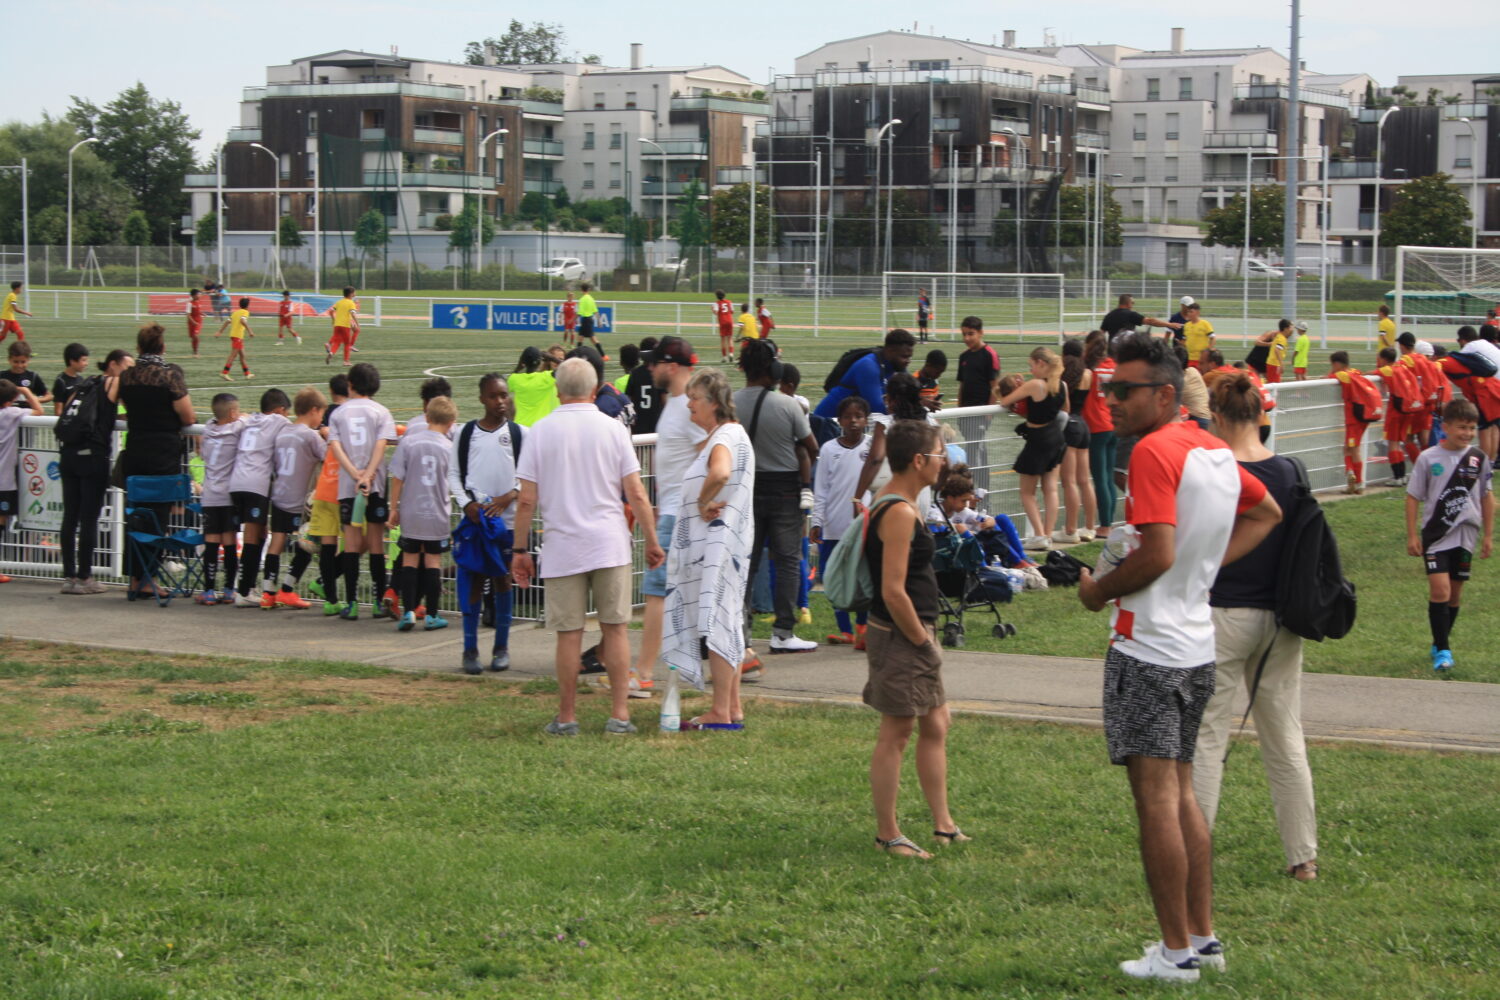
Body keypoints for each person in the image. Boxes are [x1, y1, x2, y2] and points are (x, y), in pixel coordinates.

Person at [1077, 333, 1280, 983]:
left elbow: (1158, 553)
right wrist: (1204, 566)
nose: (1112, 400)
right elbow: (1267, 513)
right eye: (1109, 389)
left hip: (1148, 647)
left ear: (1165, 394)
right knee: (1183, 792)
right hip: (1194, 646)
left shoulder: (1152, 451)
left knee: (1158, 801)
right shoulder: (1211, 447)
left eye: (1124, 391)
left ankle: (1175, 954)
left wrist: (1097, 591)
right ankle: (1201, 936)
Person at [1193, 370, 1320, 884]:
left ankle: (1194, 853)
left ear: (1216, 417)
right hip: (1280, 618)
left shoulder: (1212, 470)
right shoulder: (1289, 472)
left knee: (1206, 736)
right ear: (1261, 414)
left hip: (1222, 613)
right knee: (1285, 737)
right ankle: (1303, 856)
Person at [510, 358, 664, 736]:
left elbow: (526, 500)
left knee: (569, 634)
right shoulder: (613, 429)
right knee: (615, 629)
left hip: (563, 545)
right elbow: (636, 492)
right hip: (609, 543)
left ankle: (566, 716)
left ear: (558, 390)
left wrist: (519, 550)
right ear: (594, 390)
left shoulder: (540, 431)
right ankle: (620, 715)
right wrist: (652, 540)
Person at [865, 420, 965, 860]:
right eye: (941, 455)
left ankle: (944, 825)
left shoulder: (904, 502)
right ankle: (888, 834)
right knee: (898, 731)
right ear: (919, 460)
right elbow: (893, 590)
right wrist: (922, 642)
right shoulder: (899, 511)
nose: (945, 462)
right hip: (903, 634)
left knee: (937, 723)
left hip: (915, 631)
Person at [663, 366, 757, 728]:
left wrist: (702, 501)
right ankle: (731, 707)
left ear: (714, 402)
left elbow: (719, 473)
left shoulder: (724, 437)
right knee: (728, 622)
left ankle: (720, 710)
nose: (689, 405)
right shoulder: (733, 434)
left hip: (716, 548)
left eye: (694, 399)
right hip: (728, 546)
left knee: (718, 623)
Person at [629, 336, 706, 696]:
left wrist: (699, 504)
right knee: (691, 593)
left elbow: (711, 456)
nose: (649, 368)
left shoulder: (690, 405)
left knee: (657, 593)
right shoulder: (677, 402)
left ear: (671, 366)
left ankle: (643, 673)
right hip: (675, 512)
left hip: (681, 515)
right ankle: (745, 657)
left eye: (655, 362)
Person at [737, 339, 820, 656]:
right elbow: (811, 447)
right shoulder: (788, 405)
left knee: (746, 563)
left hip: (747, 488)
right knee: (787, 561)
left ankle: (741, 633)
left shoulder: (731, 403)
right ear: (772, 368)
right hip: (785, 490)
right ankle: (783, 633)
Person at [1406, 398, 1494, 672]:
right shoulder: (1428, 458)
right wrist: (1412, 535)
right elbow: (1413, 497)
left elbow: (1487, 497)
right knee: (1440, 590)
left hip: (1467, 535)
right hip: (1437, 535)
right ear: (1445, 427)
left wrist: (1488, 536)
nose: (1467, 433)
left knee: (1454, 595)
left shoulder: (1478, 458)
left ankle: (1439, 641)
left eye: (1472, 428)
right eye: (1462, 427)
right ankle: (1444, 651)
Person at [449, 372, 522, 674]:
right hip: (476, 524)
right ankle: (470, 649)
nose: (500, 401)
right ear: (482, 398)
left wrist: (510, 496)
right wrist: (467, 505)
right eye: (493, 396)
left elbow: (529, 475)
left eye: (504, 395)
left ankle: (501, 647)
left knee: (503, 579)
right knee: (474, 581)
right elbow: (454, 475)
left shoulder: (520, 434)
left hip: (508, 524)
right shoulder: (466, 433)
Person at [117, 323, 195, 596]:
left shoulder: (127, 376)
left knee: (136, 517)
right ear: (162, 347)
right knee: (158, 518)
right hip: (163, 453)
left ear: (139, 348)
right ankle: (148, 579)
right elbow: (188, 417)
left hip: (136, 450)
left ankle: (135, 579)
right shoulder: (170, 376)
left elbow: (125, 406)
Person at [327, 362, 399, 621]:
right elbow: (382, 445)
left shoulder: (339, 413)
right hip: (375, 484)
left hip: (349, 485)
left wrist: (355, 474)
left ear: (350, 384)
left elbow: (336, 447)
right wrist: (368, 474)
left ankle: (352, 603)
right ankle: (378, 603)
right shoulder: (381, 411)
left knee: (351, 543)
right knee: (376, 543)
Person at [57, 349, 131, 595]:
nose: (130, 372)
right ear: (114, 364)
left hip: (69, 454)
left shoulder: (86, 383)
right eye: (127, 367)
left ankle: (69, 577)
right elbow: (130, 409)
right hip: (93, 456)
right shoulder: (114, 382)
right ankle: (85, 577)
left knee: (70, 516)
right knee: (89, 518)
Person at [390, 395, 457, 633]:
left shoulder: (409, 442)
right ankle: (432, 614)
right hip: (437, 512)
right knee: (433, 562)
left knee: (409, 559)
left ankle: (408, 610)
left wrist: (393, 508)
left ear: (426, 417)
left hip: (412, 510)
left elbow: (397, 477)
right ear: (451, 423)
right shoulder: (449, 448)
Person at [258, 387, 328, 609]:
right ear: (314, 410)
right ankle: (287, 590)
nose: (321, 419)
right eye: (321, 414)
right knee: (308, 544)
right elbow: (328, 457)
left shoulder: (283, 432)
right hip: (300, 501)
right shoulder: (311, 436)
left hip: (280, 495)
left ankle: (268, 593)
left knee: (277, 542)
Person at [810, 395, 871, 646]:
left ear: (866, 419)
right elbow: (821, 488)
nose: (853, 421)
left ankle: (863, 628)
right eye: (848, 416)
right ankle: (844, 630)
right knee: (833, 576)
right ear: (840, 420)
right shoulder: (829, 449)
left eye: (858, 416)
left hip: (862, 526)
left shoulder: (872, 447)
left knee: (862, 576)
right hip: (833, 525)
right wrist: (817, 520)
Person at [998, 346, 1067, 550]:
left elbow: (1005, 401)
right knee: (1051, 489)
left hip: (1038, 440)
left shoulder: (1035, 385)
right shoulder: (1062, 384)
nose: (1030, 371)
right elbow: (1066, 409)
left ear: (1041, 363)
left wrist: (1018, 387)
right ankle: (1047, 534)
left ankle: (1038, 535)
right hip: (1057, 437)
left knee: (1027, 492)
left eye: (1031, 366)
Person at [228, 387, 290, 606]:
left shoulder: (250, 419)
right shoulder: (277, 420)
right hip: (255, 483)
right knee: (252, 536)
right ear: (280, 410)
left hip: (237, 481)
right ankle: (244, 591)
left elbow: (241, 417)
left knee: (260, 533)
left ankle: (247, 587)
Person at [196, 392, 245, 604]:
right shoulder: (237, 428)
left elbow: (213, 420)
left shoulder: (208, 428)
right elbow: (245, 421)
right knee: (230, 540)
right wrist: (243, 417)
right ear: (233, 413)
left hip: (210, 494)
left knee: (212, 541)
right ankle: (228, 589)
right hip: (228, 494)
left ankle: (208, 590)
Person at [308, 374, 350, 615]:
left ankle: (330, 598)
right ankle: (329, 590)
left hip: (325, 484)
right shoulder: (351, 418)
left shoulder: (328, 418)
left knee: (328, 543)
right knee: (360, 542)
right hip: (343, 487)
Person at [815, 327, 916, 420]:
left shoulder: (897, 365)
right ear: (890, 351)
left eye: (910, 357)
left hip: (852, 424)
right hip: (828, 422)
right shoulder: (868, 366)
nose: (908, 361)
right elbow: (877, 409)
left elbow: (911, 395)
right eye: (904, 357)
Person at [0, 380, 43, 582]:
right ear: (11, 401)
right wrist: (26, 391)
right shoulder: (11, 413)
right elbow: (39, 411)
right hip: (4, 480)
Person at [1439, 326, 1500, 461]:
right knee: (1493, 427)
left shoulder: (1467, 350)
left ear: (1462, 340)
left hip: (1486, 392)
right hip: (1495, 388)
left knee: (1484, 430)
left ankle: (1483, 465)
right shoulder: (1485, 344)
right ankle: (1490, 463)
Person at [1058, 337, 1097, 543]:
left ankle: (1070, 529)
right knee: (1084, 481)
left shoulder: (1062, 374)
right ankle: (1089, 527)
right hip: (1083, 425)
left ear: (1064, 355)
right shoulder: (1088, 373)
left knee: (1069, 482)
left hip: (1069, 426)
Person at [1329, 351, 1381, 494]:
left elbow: (1329, 377)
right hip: (1364, 415)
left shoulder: (1343, 375)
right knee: (1348, 448)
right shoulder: (1355, 372)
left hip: (1354, 419)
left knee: (1353, 449)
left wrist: (1331, 373)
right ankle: (1352, 476)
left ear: (1337, 364)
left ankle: (1357, 481)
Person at [1082, 330, 1118, 536]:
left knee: (1100, 478)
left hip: (1096, 425)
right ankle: (1108, 522)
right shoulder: (1114, 366)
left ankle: (1105, 524)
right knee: (1108, 477)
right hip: (1113, 423)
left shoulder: (1090, 370)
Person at [1376, 347, 1425, 486]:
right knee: (1398, 443)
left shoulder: (1388, 369)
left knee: (1393, 443)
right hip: (1408, 410)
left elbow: (1370, 374)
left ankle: (1398, 476)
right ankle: (1402, 476)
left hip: (1396, 411)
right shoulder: (1403, 367)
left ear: (1384, 359)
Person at [509, 346, 560, 427]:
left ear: (523, 362)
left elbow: (510, 379)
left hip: (520, 426)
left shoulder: (515, 379)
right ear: (540, 362)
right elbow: (568, 366)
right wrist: (552, 358)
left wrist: (518, 367)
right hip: (540, 427)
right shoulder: (546, 377)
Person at [1100, 293, 1181, 340]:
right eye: (1132, 303)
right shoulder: (1131, 315)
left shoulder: (1109, 316)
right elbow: (1150, 321)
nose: (1133, 305)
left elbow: (1101, 334)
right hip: (1126, 352)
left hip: (1112, 352)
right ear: (1128, 303)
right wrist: (1169, 324)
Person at [623, 336, 660, 435]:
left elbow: (629, 399)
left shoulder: (635, 373)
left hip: (638, 424)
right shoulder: (659, 374)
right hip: (656, 423)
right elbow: (664, 400)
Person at [216, 297, 255, 381]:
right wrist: (250, 331)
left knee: (242, 355)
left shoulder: (235, 312)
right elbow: (242, 321)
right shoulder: (245, 312)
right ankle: (224, 373)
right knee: (233, 355)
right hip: (238, 336)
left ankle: (247, 373)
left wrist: (220, 332)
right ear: (247, 306)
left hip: (234, 335)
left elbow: (227, 322)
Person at [1, 341, 50, 407]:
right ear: (9, 359)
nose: (19, 365)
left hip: (27, 412)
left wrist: (36, 399)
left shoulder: (32, 376)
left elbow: (49, 396)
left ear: (28, 360)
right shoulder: (2, 376)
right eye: (16, 362)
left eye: (23, 362)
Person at [324, 287, 359, 367]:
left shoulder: (339, 302)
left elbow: (330, 311)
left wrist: (333, 319)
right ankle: (346, 361)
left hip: (337, 325)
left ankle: (331, 353)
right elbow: (353, 314)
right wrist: (357, 323)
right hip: (345, 325)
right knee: (347, 344)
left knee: (337, 342)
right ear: (351, 294)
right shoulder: (351, 303)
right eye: (354, 292)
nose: (355, 294)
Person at [53, 343, 91, 415]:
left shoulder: (81, 379)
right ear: (72, 361)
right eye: (83, 360)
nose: (86, 364)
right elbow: (58, 412)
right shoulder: (61, 381)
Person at [1180, 302, 1215, 368]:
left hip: (1201, 359)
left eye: (1191, 312)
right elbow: (1184, 340)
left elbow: (1213, 338)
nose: (1189, 314)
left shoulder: (1205, 324)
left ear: (1198, 312)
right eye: (1188, 312)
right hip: (1190, 358)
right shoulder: (1186, 325)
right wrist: (1181, 345)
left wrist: (1209, 350)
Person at [575, 283, 604, 358]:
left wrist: (574, 319)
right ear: (588, 290)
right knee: (581, 337)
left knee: (592, 339)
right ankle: (578, 355)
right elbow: (595, 311)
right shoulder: (591, 299)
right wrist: (599, 321)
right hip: (590, 319)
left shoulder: (582, 299)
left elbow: (580, 312)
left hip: (585, 320)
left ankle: (603, 355)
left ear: (581, 290)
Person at [713, 289, 734, 363]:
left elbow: (716, 312)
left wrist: (713, 310)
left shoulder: (717, 303)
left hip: (722, 322)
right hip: (730, 321)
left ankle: (724, 357)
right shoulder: (729, 302)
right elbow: (732, 311)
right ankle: (731, 353)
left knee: (723, 339)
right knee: (730, 338)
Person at [186, 288, 205, 357]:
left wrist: (202, 313)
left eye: (199, 294)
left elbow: (198, 311)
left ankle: (196, 351)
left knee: (195, 336)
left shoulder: (199, 302)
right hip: (191, 322)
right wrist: (193, 322)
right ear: (193, 296)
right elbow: (188, 315)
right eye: (198, 294)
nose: (199, 295)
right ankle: (194, 351)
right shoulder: (189, 304)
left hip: (198, 322)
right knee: (193, 337)